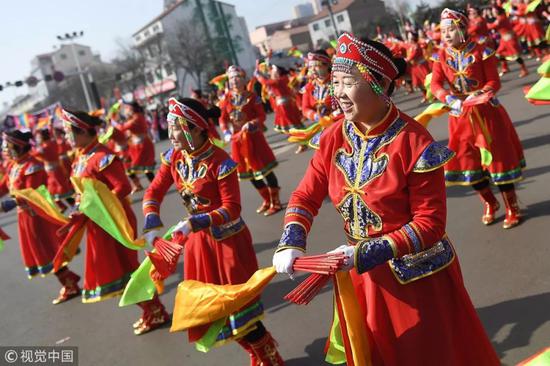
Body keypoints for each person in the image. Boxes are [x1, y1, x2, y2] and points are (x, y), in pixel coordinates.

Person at [272, 32, 500, 365]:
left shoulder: (414, 142)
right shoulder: (335, 135)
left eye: (347, 83)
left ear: (378, 83)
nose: (337, 94)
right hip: (363, 277)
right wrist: (292, 239)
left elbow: (429, 225)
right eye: (334, 83)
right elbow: (306, 193)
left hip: (417, 280)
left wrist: (361, 253)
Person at [142, 97, 284, 364]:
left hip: (228, 243)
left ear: (195, 128)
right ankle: (256, 354)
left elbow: (232, 209)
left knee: (239, 309)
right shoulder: (174, 157)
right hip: (200, 245)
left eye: (175, 127)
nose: (169, 134)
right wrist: (151, 220)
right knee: (214, 310)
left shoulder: (221, 162)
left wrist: (196, 222)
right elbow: (153, 191)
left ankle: (270, 357)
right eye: (170, 126)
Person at [61, 109, 168, 335]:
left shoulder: (102, 157)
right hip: (97, 223)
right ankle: (150, 311)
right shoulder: (80, 158)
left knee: (127, 269)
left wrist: (96, 207)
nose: (66, 138)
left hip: (113, 220)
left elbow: (123, 187)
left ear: (82, 132)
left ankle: (156, 311)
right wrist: (81, 208)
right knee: (115, 272)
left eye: (68, 132)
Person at [431, 8, 525, 229]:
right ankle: (490, 203)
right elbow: (435, 84)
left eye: (450, 30)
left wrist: (481, 93)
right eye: (443, 31)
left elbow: (494, 81)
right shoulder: (440, 55)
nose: (445, 35)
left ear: (462, 30)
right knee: (468, 164)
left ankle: (512, 206)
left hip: (487, 114)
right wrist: (447, 97)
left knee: (498, 161)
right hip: (460, 116)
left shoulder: (482, 50)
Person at [0, 130, 81, 304]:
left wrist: (8, 204)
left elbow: (31, 192)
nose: (4, 149)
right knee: (43, 252)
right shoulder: (14, 166)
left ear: (18, 146)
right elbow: (4, 187)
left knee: (47, 251)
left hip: (37, 216)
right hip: (25, 217)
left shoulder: (32, 165)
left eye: (7, 145)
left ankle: (70, 282)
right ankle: (69, 281)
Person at [219, 66, 282, 216]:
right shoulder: (226, 100)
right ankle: (267, 199)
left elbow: (262, 116)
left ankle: (276, 201)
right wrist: (226, 132)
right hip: (237, 141)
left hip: (254, 138)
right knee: (248, 173)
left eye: (237, 78)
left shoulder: (253, 97)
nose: (234, 81)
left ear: (243, 79)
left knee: (264, 169)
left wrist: (252, 123)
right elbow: (222, 119)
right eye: (231, 78)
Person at [118, 101, 156, 193]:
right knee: (128, 165)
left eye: (127, 108)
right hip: (135, 146)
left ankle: (155, 184)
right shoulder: (133, 117)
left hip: (143, 145)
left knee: (146, 167)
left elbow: (123, 127)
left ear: (132, 108)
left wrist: (115, 123)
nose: (126, 110)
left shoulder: (137, 117)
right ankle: (138, 185)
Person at [255, 62, 303, 134]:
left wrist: (258, 76)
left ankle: (300, 138)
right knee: (292, 121)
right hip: (287, 103)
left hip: (284, 105)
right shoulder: (283, 79)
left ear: (278, 73)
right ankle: (298, 137)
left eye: (273, 72)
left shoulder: (278, 81)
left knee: (290, 122)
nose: (271, 74)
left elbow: (265, 82)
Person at [33, 128, 75, 210]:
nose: (37, 139)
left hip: (53, 171)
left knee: (57, 188)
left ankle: (69, 205)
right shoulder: (53, 142)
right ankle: (66, 205)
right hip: (56, 168)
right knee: (59, 187)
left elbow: (36, 155)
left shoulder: (44, 147)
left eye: (38, 137)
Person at [488, 5, 530, 77]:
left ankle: (524, 69)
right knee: (499, 54)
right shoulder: (501, 17)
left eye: (493, 11)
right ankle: (505, 68)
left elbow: (492, 26)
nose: (493, 13)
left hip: (509, 39)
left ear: (497, 11)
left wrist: (484, 25)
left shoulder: (500, 18)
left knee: (515, 56)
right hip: (504, 40)